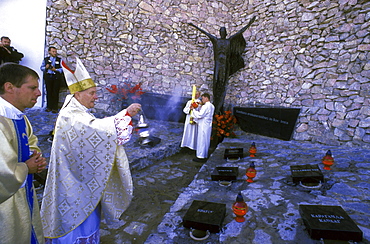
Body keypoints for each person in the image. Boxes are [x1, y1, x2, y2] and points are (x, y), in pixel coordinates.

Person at [41, 57, 141, 243]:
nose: (96, 97)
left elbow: (94, 129)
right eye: (92, 93)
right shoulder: (70, 115)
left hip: (83, 182)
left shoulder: (78, 112)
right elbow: (97, 130)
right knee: (72, 229)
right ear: (77, 94)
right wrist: (125, 114)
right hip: (71, 186)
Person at [0, 63, 47, 244]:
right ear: (9, 87)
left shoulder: (19, 116)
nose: (39, 93)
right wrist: (26, 167)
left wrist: (36, 157)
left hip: (23, 193)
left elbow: (31, 142)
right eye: (32, 88)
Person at [188, 16, 256, 114]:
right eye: (221, 31)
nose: (222, 33)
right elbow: (205, 33)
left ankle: (220, 107)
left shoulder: (229, 41)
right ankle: (216, 106)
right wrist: (193, 26)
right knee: (216, 83)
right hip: (218, 65)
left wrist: (249, 23)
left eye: (224, 31)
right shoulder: (216, 40)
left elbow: (239, 32)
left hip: (225, 66)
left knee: (223, 84)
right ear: (220, 33)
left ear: (226, 33)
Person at [191, 93, 215, 162]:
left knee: (201, 140)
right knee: (206, 140)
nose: (202, 100)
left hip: (203, 125)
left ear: (206, 98)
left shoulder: (206, 106)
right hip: (207, 125)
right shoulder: (212, 106)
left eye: (203, 98)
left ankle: (200, 156)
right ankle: (205, 155)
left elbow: (200, 115)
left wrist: (193, 110)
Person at [40, 46, 64, 113]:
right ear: (49, 52)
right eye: (53, 51)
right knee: (49, 92)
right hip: (48, 77)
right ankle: (49, 107)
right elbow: (41, 68)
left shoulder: (59, 60)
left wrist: (56, 70)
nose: (55, 53)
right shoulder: (46, 59)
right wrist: (46, 67)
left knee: (55, 92)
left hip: (56, 77)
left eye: (55, 51)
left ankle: (55, 108)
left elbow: (63, 69)